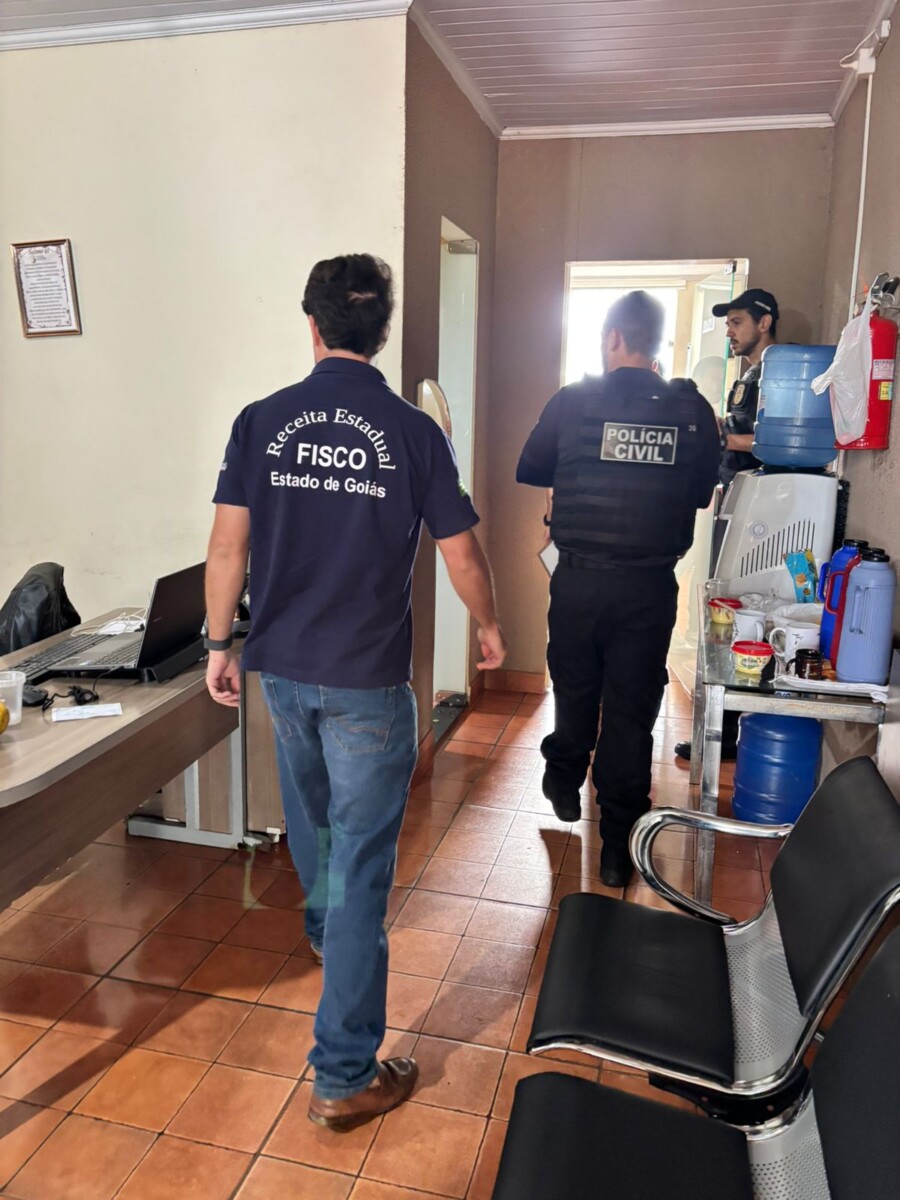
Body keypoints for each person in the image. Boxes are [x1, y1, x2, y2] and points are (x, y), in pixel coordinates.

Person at [205, 253, 506, 1131]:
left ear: (313, 325)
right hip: (367, 684)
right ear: (381, 332)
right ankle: (342, 1076)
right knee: (360, 869)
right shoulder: (413, 433)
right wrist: (488, 626)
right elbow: (460, 551)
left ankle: (325, 935)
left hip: (284, 672)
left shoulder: (261, 422)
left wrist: (220, 643)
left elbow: (226, 548)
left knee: (316, 831)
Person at [516, 291, 719, 887]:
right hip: (648, 588)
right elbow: (700, 494)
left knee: (575, 687)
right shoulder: (692, 410)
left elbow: (532, 468)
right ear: (656, 342)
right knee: (631, 713)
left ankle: (563, 775)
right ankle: (616, 846)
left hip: (579, 580)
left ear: (612, 338)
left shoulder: (573, 401)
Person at [674, 287, 779, 763]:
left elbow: (776, 440)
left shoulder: (777, 374)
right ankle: (719, 730)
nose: (730, 332)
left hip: (760, 510)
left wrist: (721, 436)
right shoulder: (747, 377)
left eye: (737, 322)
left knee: (739, 614)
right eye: (728, 324)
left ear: (765, 322)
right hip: (734, 501)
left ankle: (729, 732)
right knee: (722, 609)